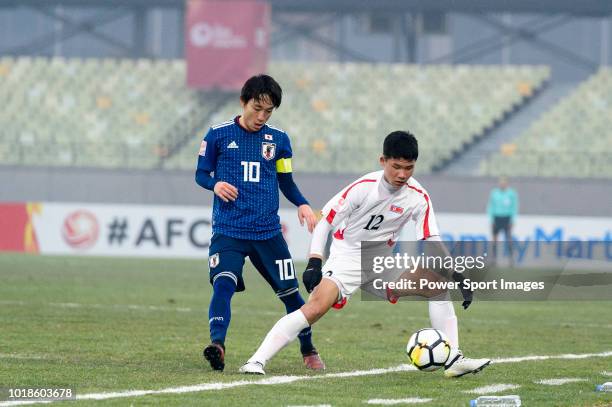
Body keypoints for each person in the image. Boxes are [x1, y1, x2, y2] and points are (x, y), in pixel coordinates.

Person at [239, 131, 490, 377]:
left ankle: (454, 358)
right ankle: (256, 361)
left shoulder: (418, 197)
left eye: (409, 167)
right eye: (396, 166)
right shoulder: (363, 187)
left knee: (436, 285)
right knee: (314, 308)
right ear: (383, 161)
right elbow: (325, 221)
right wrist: (315, 260)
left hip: (382, 262)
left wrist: (456, 272)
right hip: (347, 257)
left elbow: (431, 238)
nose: (402, 174)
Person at [195, 74, 324, 372]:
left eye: (268, 111)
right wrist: (214, 185)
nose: (261, 116)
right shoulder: (217, 135)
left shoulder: (279, 141)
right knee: (223, 284)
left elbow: (286, 181)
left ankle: (308, 349)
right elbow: (201, 174)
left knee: (292, 296)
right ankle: (218, 344)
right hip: (228, 230)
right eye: (257, 108)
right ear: (243, 102)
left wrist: (303, 203)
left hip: (268, 233)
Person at [487, 176, 519, 266]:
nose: (502, 184)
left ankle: (511, 258)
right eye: (501, 182)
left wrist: (512, 220)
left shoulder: (511, 193)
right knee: (494, 239)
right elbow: (490, 206)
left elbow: (514, 207)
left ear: (507, 184)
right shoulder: (494, 193)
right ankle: (494, 259)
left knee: (509, 238)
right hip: (496, 217)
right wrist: (491, 219)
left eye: (504, 183)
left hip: (507, 218)